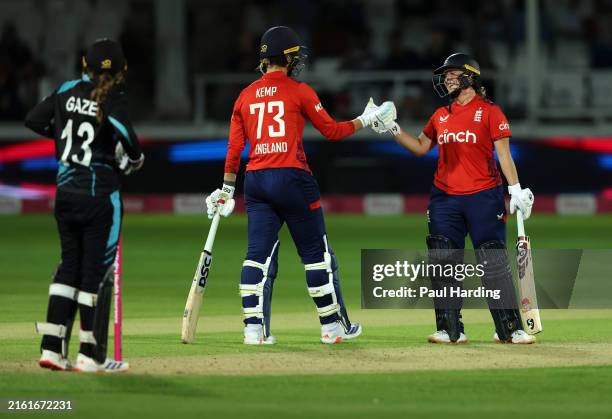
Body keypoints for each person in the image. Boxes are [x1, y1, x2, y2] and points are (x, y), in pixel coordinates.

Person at [205, 26, 395, 345]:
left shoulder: (245, 96)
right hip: (292, 178)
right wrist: (367, 119)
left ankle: (254, 330)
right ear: (289, 58)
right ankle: (332, 326)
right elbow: (332, 131)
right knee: (315, 255)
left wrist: (225, 189)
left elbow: (234, 149)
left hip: (256, 181)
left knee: (256, 257)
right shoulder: (300, 91)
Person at [374, 53, 536, 344]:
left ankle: (509, 328)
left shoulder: (490, 111)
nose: (446, 78)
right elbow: (421, 148)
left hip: (484, 196)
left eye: (452, 73)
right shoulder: (440, 115)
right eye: (445, 74)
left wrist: (516, 188)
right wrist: (392, 128)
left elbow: (503, 155)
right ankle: (450, 329)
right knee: (443, 260)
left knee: (492, 261)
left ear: (469, 76)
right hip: (444, 199)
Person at [25, 39, 144, 371]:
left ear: (83, 64)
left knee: (68, 266)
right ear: (122, 70)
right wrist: (135, 158)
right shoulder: (113, 97)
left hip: (65, 195)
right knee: (94, 271)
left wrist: (65, 136)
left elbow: (34, 119)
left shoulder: (67, 89)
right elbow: (126, 134)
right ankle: (90, 356)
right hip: (99, 195)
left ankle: (51, 350)